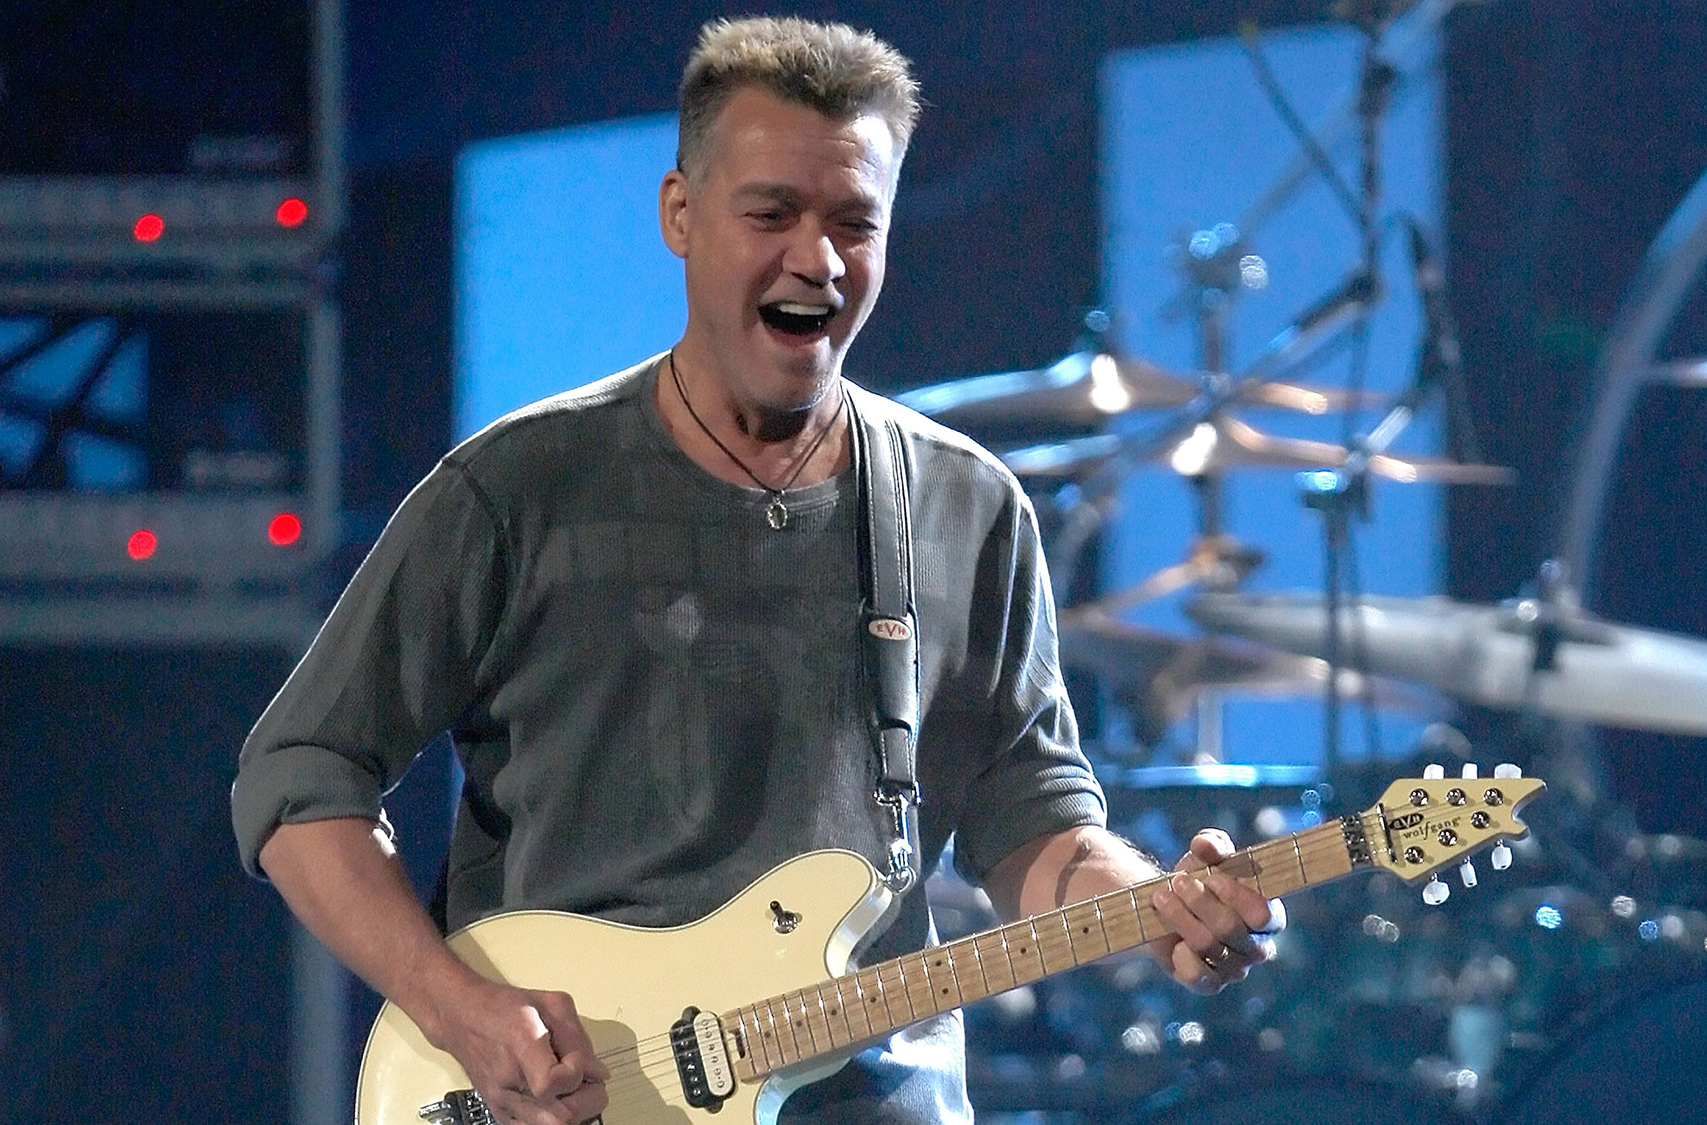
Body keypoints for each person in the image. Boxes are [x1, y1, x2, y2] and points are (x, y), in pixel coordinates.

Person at [232, 16, 1280, 1125]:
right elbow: (298, 780)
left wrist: (1150, 904)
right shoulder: (515, 489)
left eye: (853, 223)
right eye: (771, 213)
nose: (816, 260)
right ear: (679, 215)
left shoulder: (964, 506)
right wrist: (456, 1010)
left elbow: (1028, 819)